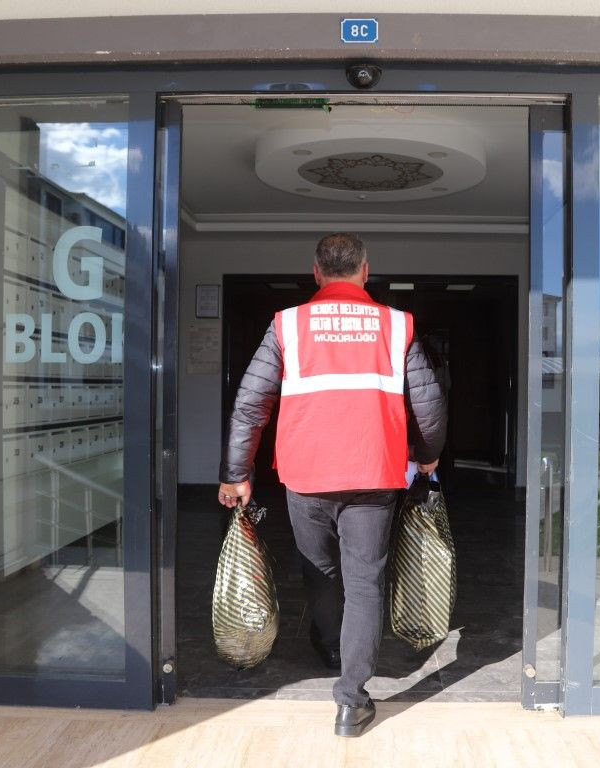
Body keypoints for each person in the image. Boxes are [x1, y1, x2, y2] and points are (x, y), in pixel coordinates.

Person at [218, 233, 446, 737]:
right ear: (366, 271)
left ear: (316, 273)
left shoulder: (288, 325)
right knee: (365, 582)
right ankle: (351, 699)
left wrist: (238, 473)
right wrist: (426, 459)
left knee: (321, 570)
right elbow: (428, 405)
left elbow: (251, 404)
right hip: (374, 474)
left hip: (306, 477)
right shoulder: (396, 325)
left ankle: (330, 646)